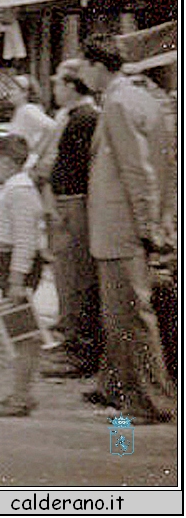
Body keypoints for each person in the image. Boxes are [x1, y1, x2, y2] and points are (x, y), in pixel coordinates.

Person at [81, 33, 175, 424]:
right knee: (123, 316)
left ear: (98, 66)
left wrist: (149, 226)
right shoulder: (137, 97)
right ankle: (118, 390)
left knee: (130, 318)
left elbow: (138, 170)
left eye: (86, 65)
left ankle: (148, 403)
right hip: (123, 226)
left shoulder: (119, 102)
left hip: (121, 229)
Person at [30, 60, 101, 379]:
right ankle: (70, 336)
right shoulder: (72, 116)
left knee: (74, 274)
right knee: (65, 272)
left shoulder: (85, 118)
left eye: (58, 83)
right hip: (64, 201)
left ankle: (78, 347)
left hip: (73, 203)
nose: (55, 89)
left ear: (72, 85)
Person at [0, 134, 46, 418]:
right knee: (19, 334)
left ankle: (21, 396)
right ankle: (21, 393)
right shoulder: (15, 188)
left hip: (15, 268)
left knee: (23, 336)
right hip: (9, 265)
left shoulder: (19, 193)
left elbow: (24, 239)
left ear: (7, 161)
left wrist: (16, 280)